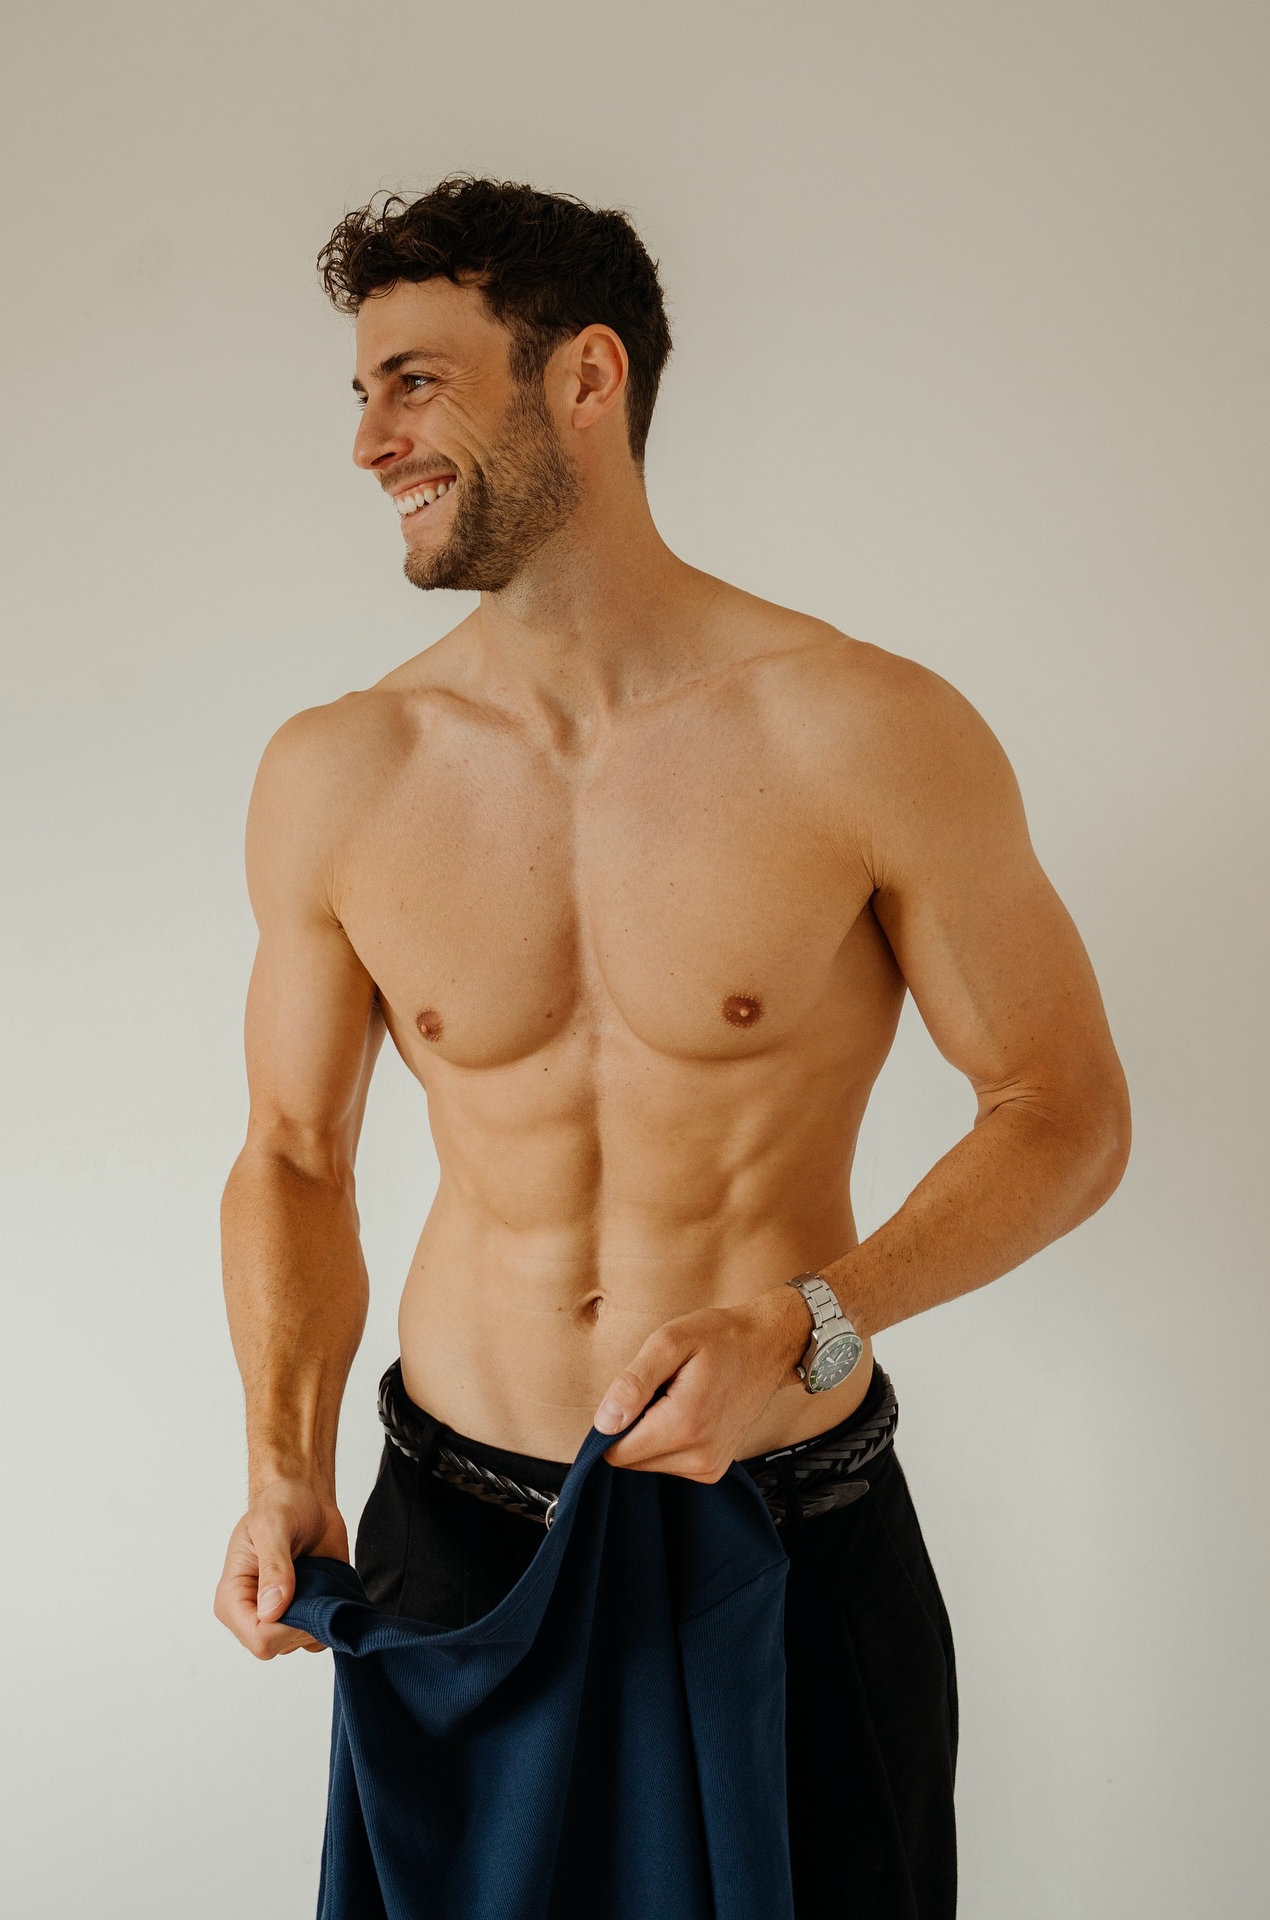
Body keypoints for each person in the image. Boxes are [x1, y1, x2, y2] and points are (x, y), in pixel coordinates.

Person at [213, 176, 1130, 1918]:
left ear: (587, 376)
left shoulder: (863, 728)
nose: (370, 441)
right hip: (457, 1547)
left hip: (777, 1533)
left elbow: (1064, 1110)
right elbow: (293, 1153)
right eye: (362, 391)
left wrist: (815, 1320)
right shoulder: (342, 771)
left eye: (417, 382)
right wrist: (281, 1464)